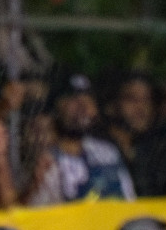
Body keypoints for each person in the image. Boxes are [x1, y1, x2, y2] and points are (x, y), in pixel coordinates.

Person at [23, 74, 135, 204]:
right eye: (73, 99)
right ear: (56, 107)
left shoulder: (108, 151)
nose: (83, 106)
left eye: (88, 99)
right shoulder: (46, 159)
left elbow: (129, 199)